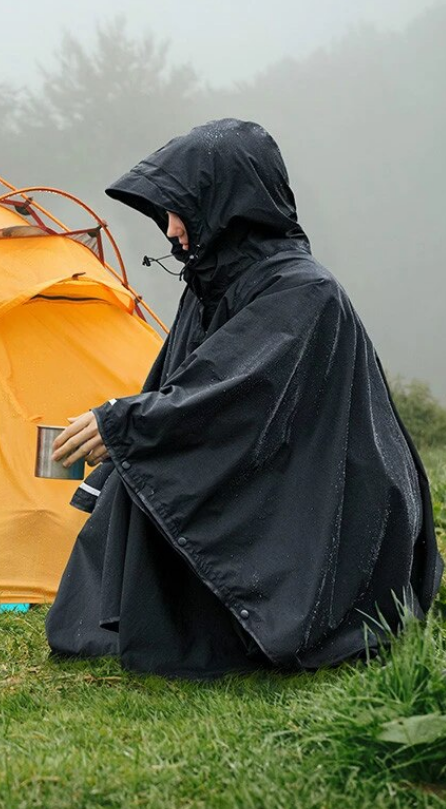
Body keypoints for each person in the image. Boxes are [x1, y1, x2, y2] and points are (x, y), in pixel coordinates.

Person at [46, 118, 443, 678]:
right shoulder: (208, 288)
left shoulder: (304, 291)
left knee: (156, 459)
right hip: (276, 479)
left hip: (331, 506)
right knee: (145, 471)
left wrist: (127, 425)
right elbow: (179, 391)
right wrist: (125, 434)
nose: (170, 227)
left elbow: (235, 398)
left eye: (180, 209)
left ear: (226, 204)